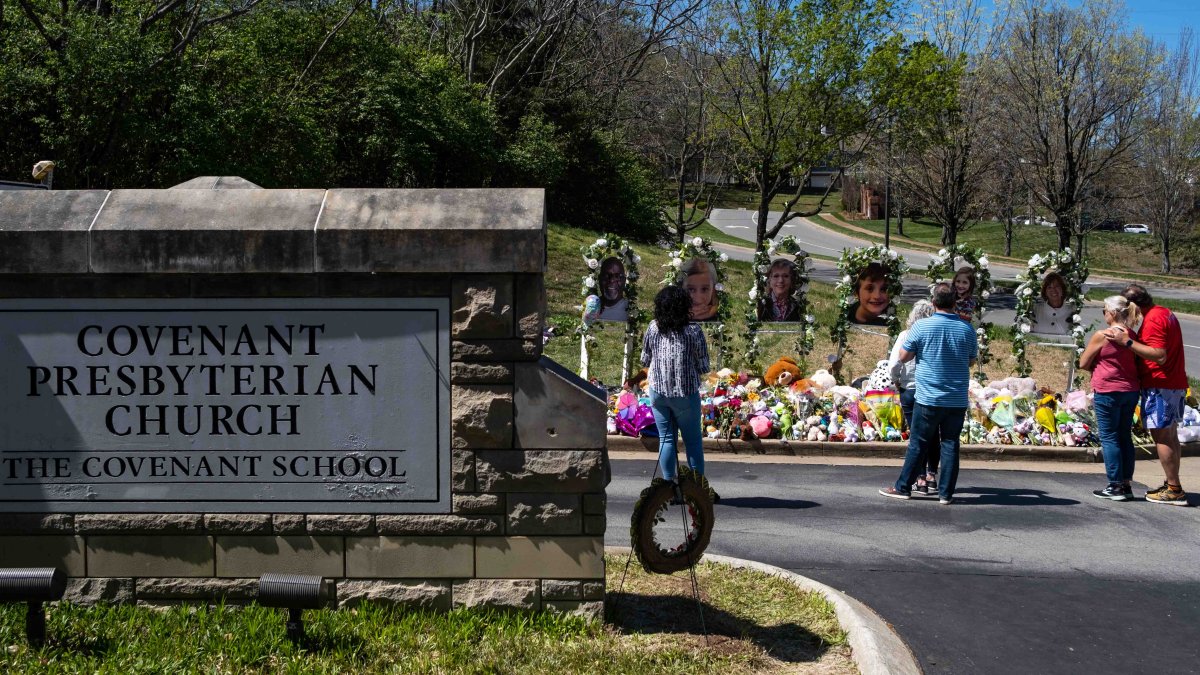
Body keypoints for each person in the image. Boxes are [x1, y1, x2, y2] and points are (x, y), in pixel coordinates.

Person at [880, 283, 977, 504]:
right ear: (955, 303)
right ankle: (946, 494)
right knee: (951, 443)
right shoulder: (967, 329)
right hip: (956, 398)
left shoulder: (921, 327)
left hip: (928, 397)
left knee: (919, 443)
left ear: (934, 303)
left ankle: (903, 487)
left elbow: (903, 356)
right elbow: (971, 360)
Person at [1106, 284, 1189, 505]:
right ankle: (1172, 484)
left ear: (1134, 305)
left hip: (1160, 384)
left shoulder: (1153, 320)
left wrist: (1128, 342)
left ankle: (1174, 490)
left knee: (1162, 436)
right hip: (1172, 382)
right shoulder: (1164, 312)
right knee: (1170, 436)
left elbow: (1159, 355)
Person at [641, 285, 714, 501]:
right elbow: (703, 366)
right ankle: (695, 491)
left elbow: (645, 359)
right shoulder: (693, 331)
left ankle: (670, 488)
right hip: (685, 392)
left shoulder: (653, 328)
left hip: (658, 391)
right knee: (692, 443)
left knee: (666, 439)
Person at [1078, 296, 1143, 501]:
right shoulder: (1131, 335)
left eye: (1104, 310)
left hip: (1108, 389)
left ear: (1113, 313)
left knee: (1109, 436)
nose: (1104, 314)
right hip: (1130, 389)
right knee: (1124, 435)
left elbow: (1083, 362)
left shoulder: (1103, 335)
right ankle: (1126, 483)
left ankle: (1114, 484)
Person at [889, 300, 939, 495]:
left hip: (909, 388)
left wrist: (896, 380)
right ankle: (932, 475)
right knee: (934, 435)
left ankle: (919, 478)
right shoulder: (935, 336)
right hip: (930, 390)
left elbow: (894, 363)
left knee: (917, 437)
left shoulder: (905, 335)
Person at [596, 257, 628, 322]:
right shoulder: (591, 306)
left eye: (617, 276)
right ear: (599, 279)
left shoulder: (631, 311)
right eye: (606, 275)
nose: (612, 280)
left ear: (624, 281)